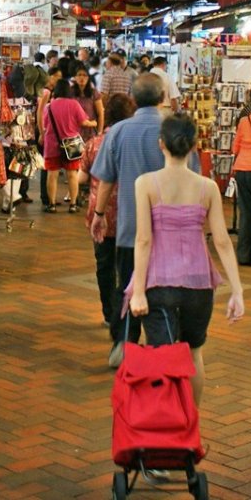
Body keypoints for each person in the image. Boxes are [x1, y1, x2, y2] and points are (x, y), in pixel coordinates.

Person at [129, 113, 244, 405]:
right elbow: (222, 242)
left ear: (161, 145)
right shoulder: (207, 187)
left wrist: (139, 291)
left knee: (162, 358)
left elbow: (143, 240)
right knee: (194, 352)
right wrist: (237, 291)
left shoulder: (146, 183)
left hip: (159, 283)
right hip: (198, 284)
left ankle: (166, 427)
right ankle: (189, 423)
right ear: (194, 145)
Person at [90, 72, 200, 367]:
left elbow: (106, 180)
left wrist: (99, 215)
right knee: (168, 291)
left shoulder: (119, 132)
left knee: (127, 287)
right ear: (164, 96)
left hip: (130, 229)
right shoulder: (177, 129)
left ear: (134, 99)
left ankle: (124, 343)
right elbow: (196, 179)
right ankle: (164, 349)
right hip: (174, 234)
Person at [79, 94, 135, 325]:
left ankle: (109, 313)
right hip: (129, 212)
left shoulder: (95, 143)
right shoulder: (134, 142)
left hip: (100, 214)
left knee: (104, 265)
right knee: (128, 266)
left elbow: (82, 178)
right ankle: (125, 313)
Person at [43, 78, 96, 213]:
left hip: (52, 145)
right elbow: (84, 122)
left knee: (52, 175)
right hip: (71, 145)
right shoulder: (74, 104)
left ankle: (52, 204)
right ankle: (73, 204)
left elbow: (45, 125)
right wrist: (94, 124)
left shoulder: (49, 106)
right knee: (72, 174)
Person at [232, 85, 251, 266]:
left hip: (241, 169)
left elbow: (236, 147)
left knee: (246, 214)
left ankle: (243, 256)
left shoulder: (244, 120)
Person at [37, 65, 63, 207]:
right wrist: (42, 132)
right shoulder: (46, 92)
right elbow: (40, 113)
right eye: (56, 76)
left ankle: (48, 196)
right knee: (46, 165)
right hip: (45, 131)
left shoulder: (47, 91)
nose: (58, 79)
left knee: (47, 165)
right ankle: (46, 197)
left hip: (45, 131)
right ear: (50, 76)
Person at [72, 64, 104, 141]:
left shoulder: (94, 93)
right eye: (79, 75)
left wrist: (99, 132)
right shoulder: (70, 92)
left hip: (90, 132)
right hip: (74, 132)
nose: (82, 77)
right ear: (75, 78)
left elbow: (100, 114)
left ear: (88, 78)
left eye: (84, 75)